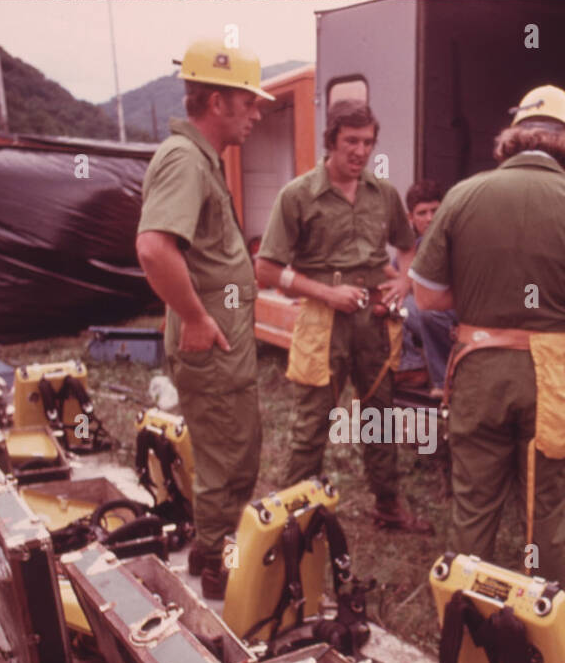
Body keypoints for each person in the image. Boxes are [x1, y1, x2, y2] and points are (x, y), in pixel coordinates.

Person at [410, 84, 565, 613]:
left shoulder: (463, 196)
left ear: (512, 140)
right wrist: (560, 306)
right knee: (547, 521)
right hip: (552, 381)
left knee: (474, 508)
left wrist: (489, 302)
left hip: (478, 369)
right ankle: (551, 632)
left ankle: (464, 624)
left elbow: (427, 295)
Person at [135, 39, 273, 599]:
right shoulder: (183, 159)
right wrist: (194, 317)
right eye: (249, 104)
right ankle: (221, 570)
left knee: (235, 452)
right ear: (217, 102)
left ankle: (210, 550)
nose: (257, 114)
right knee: (227, 459)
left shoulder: (200, 160)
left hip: (224, 344)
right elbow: (153, 248)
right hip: (211, 344)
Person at [256, 99, 431, 532]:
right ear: (331, 140)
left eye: (368, 142)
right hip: (323, 320)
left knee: (379, 415)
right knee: (313, 420)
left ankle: (388, 507)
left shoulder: (383, 194)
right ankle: (290, 517)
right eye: (351, 141)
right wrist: (326, 293)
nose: (360, 151)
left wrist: (404, 283)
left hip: (373, 319)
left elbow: (407, 247)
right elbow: (266, 268)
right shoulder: (298, 195)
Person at [399, 180, 458, 396]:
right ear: (411, 218)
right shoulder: (415, 246)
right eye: (422, 213)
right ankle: (412, 366)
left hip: (454, 312)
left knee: (428, 310)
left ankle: (444, 383)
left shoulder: (456, 239)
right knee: (394, 303)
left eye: (435, 210)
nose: (430, 218)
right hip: (429, 308)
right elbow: (399, 277)